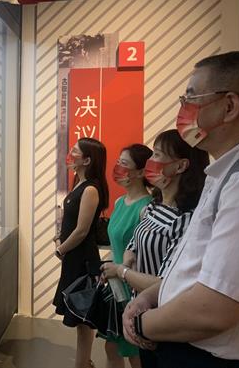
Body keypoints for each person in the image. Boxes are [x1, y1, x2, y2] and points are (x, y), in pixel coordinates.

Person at [123, 51, 239, 367]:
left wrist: (140, 324)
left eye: (190, 99)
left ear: (229, 106)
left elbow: (215, 309)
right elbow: (197, 267)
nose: (183, 110)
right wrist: (150, 297)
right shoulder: (228, 172)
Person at [101, 130, 209, 368]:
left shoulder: (185, 219)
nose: (151, 161)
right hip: (139, 312)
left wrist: (122, 272)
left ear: (180, 166)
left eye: (158, 155)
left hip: (164, 319)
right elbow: (132, 245)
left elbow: (167, 283)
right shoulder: (154, 206)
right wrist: (128, 263)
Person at [52, 137, 110, 368]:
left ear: (87, 160)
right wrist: (61, 238)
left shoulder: (91, 189)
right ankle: (84, 362)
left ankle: (82, 363)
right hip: (74, 258)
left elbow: (82, 230)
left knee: (83, 316)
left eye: (75, 151)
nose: (70, 153)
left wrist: (61, 249)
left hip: (83, 260)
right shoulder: (79, 182)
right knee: (80, 316)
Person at [99, 144, 153, 368]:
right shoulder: (119, 202)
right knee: (111, 346)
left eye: (124, 163)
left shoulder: (147, 207)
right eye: (118, 162)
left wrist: (122, 270)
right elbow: (116, 245)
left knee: (135, 352)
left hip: (134, 287)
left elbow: (145, 254)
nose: (118, 167)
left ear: (140, 172)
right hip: (115, 286)